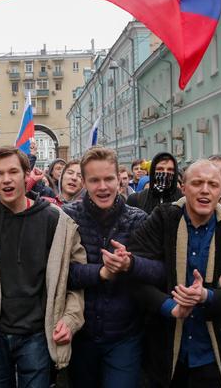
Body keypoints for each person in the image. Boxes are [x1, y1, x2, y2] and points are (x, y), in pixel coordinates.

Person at [0, 146, 86, 387]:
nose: (6, 179)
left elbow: (75, 280)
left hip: (37, 335)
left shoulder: (57, 221)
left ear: (26, 175)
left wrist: (69, 320)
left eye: (13, 172)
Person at [128, 159, 221, 387]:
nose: (205, 190)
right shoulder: (162, 220)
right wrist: (170, 307)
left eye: (213, 184)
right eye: (197, 183)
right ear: (183, 188)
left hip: (214, 354)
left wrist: (207, 295)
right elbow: (135, 280)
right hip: (165, 352)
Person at [64, 147, 161, 388]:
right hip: (80, 334)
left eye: (108, 178)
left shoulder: (138, 219)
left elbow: (160, 271)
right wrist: (101, 272)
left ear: (119, 178)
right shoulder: (67, 218)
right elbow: (60, 274)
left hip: (125, 336)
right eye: (94, 180)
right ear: (84, 182)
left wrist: (130, 264)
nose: (103, 187)